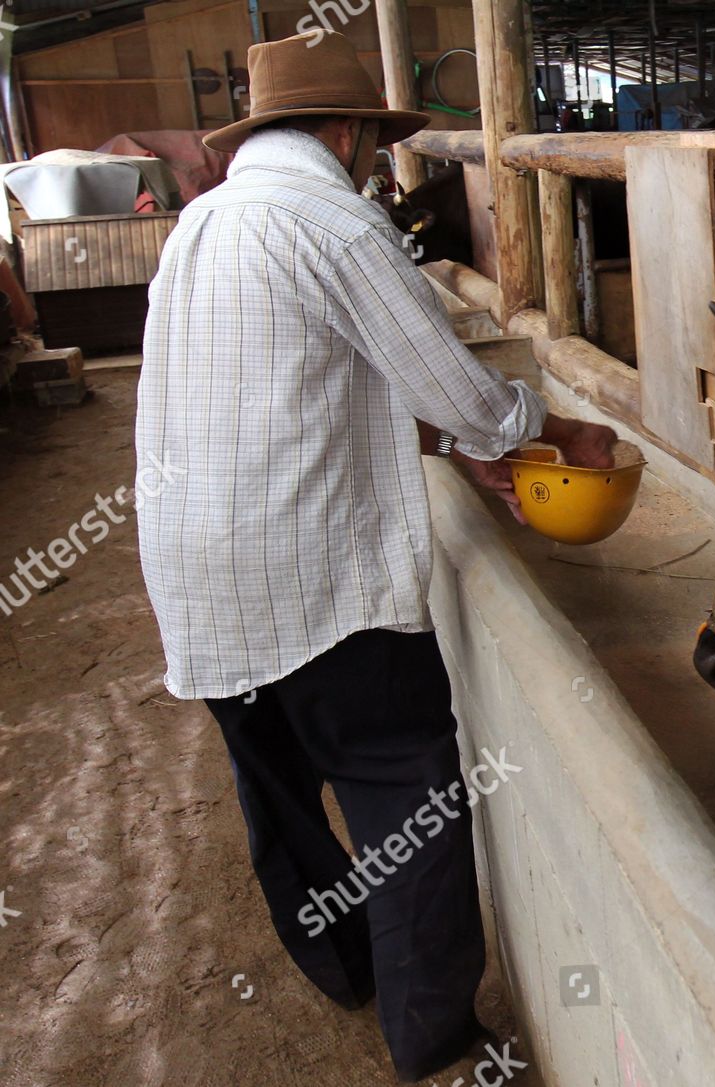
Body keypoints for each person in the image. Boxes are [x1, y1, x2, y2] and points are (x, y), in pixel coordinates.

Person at [134, 30, 614, 1081]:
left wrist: (451, 448)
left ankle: (343, 966)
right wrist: (541, 431)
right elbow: (462, 391)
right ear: (345, 132)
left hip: (196, 585)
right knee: (412, 798)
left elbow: (300, 400)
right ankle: (434, 1037)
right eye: (372, 142)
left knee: (278, 797)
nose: (374, 163)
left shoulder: (199, 225)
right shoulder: (336, 224)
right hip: (315, 591)